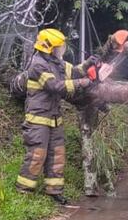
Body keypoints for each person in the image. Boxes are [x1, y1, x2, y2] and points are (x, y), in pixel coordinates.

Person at [13, 27, 95, 204]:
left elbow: (72, 72)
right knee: (37, 154)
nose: (62, 49)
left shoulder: (56, 62)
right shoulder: (37, 64)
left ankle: (54, 191)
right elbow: (54, 87)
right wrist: (81, 83)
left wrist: (88, 64)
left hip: (55, 118)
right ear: (49, 48)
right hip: (38, 120)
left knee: (57, 155)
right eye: (59, 47)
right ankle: (23, 190)